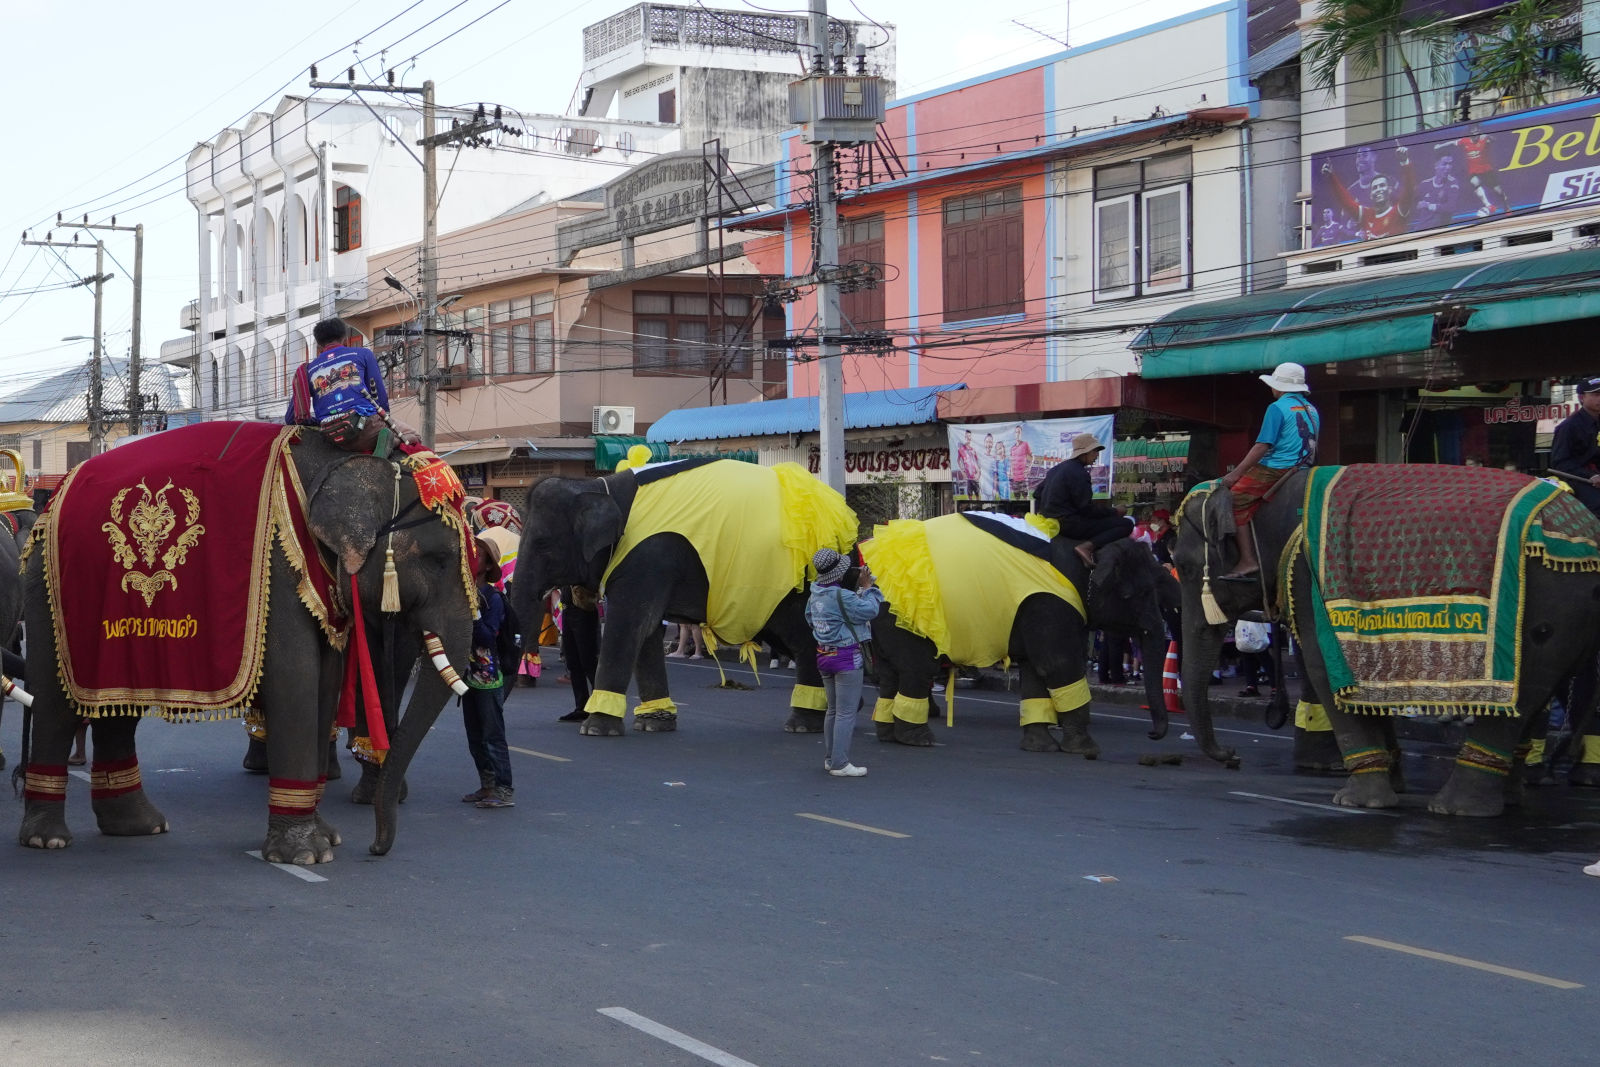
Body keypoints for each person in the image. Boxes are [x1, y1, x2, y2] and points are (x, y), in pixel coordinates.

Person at [1218, 362, 1321, 580]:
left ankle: (1247, 560)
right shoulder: (1312, 409)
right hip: (1304, 466)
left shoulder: (1277, 408)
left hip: (1277, 467)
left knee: (1234, 500)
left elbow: (1262, 445)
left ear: (1280, 387)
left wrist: (1235, 474)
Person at [806, 547, 884, 777]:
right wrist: (869, 588)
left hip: (823, 656)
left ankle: (831, 758)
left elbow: (810, 619)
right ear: (838, 573)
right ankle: (840, 763)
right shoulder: (842, 596)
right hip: (847, 657)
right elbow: (870, 610)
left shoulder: (815, 593)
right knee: (846, 713)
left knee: (832, 710)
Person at [461, 537, 515, 809]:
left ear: (487, 565)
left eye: (477, 555)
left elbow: (487, 638)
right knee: (474, 737)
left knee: (492, 736)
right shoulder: (463, 593)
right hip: (466, 678)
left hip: (488, 677)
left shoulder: (493, 599)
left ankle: (504, 789)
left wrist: (473, 613)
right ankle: (486, 785)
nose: (471, 558)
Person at [1034, 433, 1132, 567]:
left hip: (1051, 522)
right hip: (1070, 525)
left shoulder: (1056, 469)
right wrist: (1114, 512)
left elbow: (1037, 494)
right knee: (1125, 524)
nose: (1096, 455)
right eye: (1094, 451)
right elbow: (1086, 509)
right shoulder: (1079, 473)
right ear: (1084, 453)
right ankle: (1087, 547)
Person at [1322, 147, 1415, 240]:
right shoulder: (1367, 215)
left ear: (1389, 190)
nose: (1378, 189)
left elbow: (1409, 189)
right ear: (1370, 195)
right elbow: (1346, 202)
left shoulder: (1398, 211)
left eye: (1382, 185)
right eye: (1375, 187)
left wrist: (1405, 163)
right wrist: (1331, 176)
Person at [1549, 377, 1600, 520]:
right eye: (1596, 395)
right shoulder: (1569, 426)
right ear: (1581, 398)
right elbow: (1559, 463)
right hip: (1578, 480)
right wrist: (1590, 476)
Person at [556, 585, 600, 724]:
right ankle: (581, 707)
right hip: (568, 609)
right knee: (573, 662)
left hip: (583, 610)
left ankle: (598, 706)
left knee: (588, 661)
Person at [1007, 425, 1034, 500]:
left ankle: (1028, 511)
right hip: (1015, 478)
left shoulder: (1025, 444)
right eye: (1016, 432)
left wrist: (1029, 467)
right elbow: (1012, 462)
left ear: (1021, 434)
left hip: (1023, 477)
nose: (1017, 434)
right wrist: (1011, 473)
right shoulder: (1012, 448)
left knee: (1026, 498)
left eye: (1019, 432)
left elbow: (1032, 457)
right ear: (1014, 434)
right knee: (1017, 499)